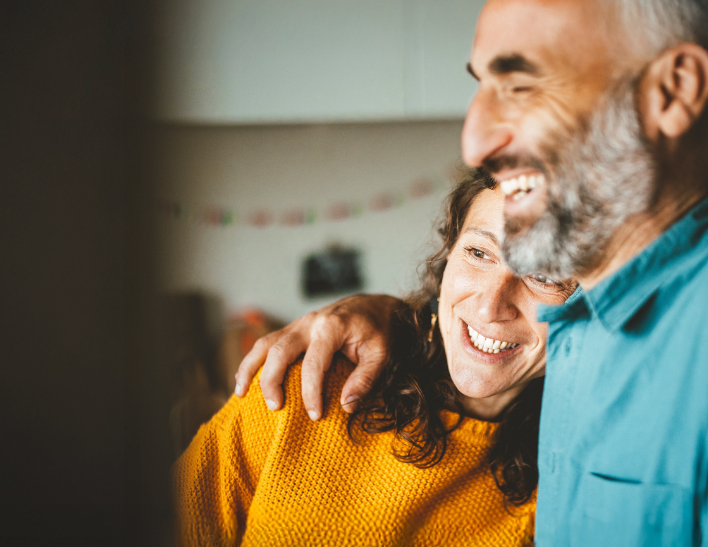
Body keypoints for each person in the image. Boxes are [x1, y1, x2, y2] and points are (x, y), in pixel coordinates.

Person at [236, 0, 708, 544]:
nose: (477, 142)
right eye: (482, 88)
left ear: (673, 91)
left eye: (522, 87)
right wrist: (392, 316)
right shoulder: (587, 300)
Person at [175, 171, 576, 545]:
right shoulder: (306, 385)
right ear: (448, 255)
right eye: (478, 252)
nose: (491, 305)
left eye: (544, 276)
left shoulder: (574, 481)